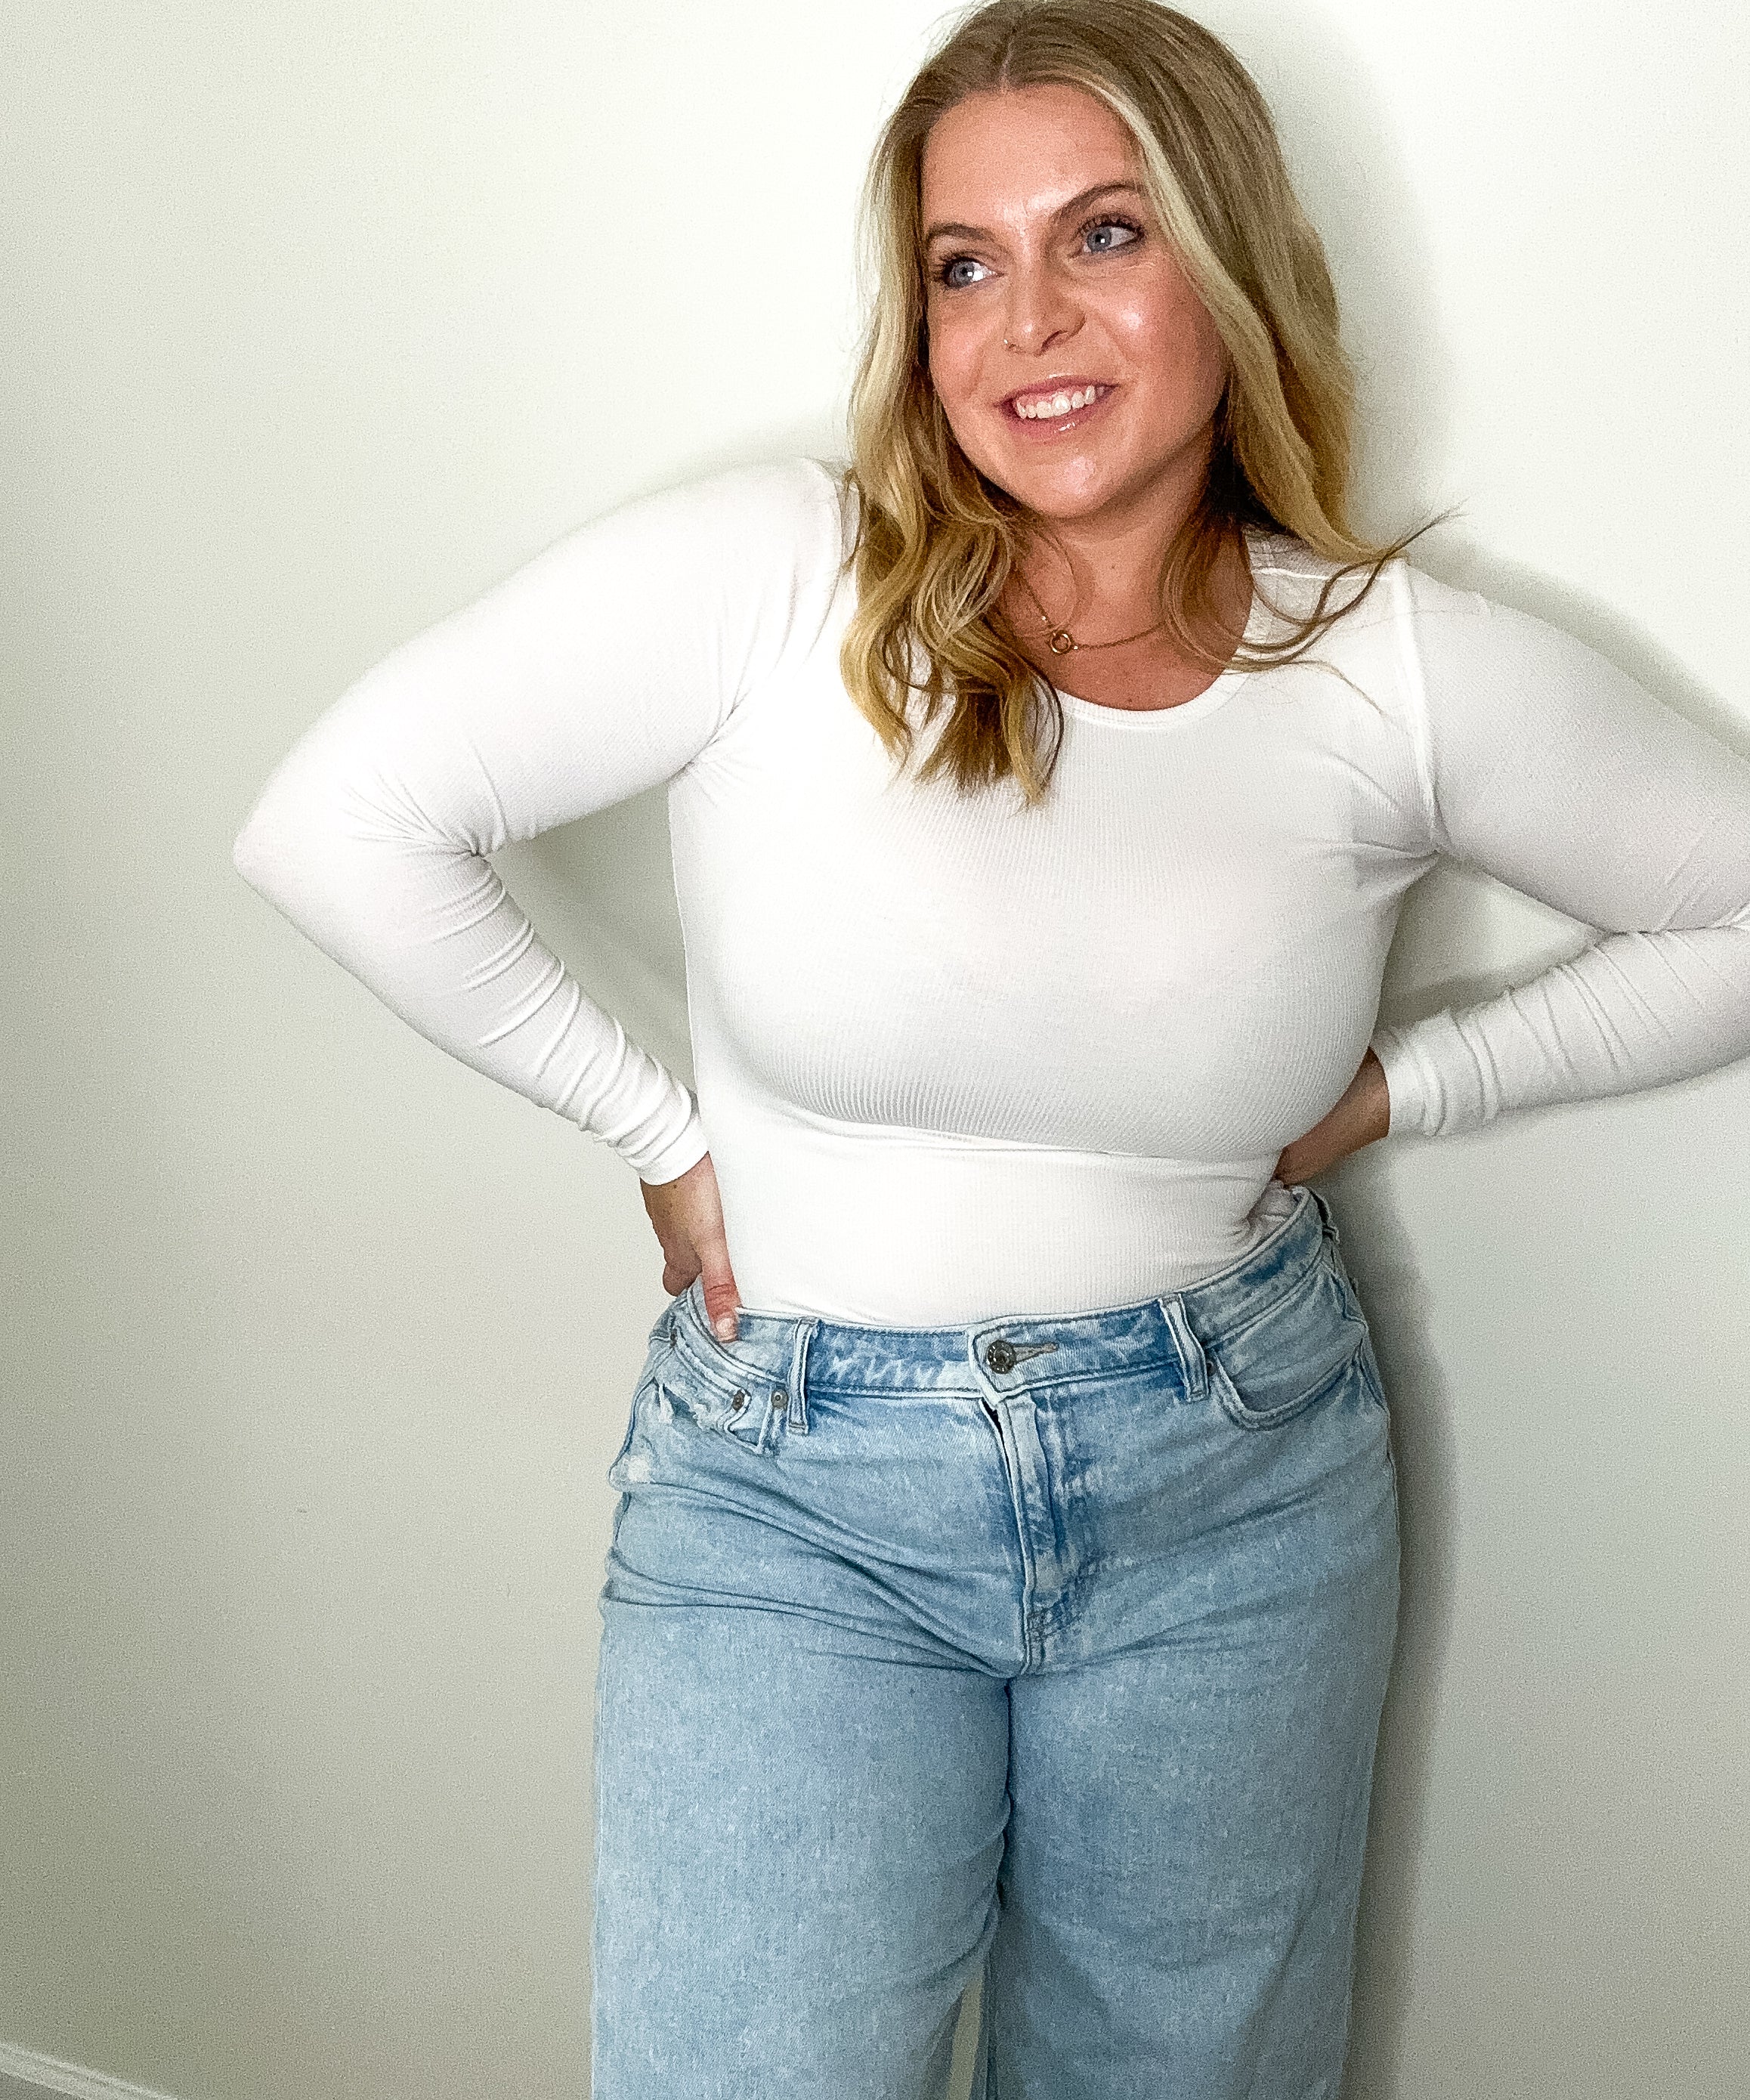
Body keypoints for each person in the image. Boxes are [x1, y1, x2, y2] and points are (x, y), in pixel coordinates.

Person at [230, 1, 1750, 2092]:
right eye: (963, 262)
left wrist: (1418, 1082)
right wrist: (655, 1133)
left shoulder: (1385, 665)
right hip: (794, 1506)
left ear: (1227, 260)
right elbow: (337, 819)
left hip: (1234, 1493)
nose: (1023, 317)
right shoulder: (780, 575)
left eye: (1102, 233)